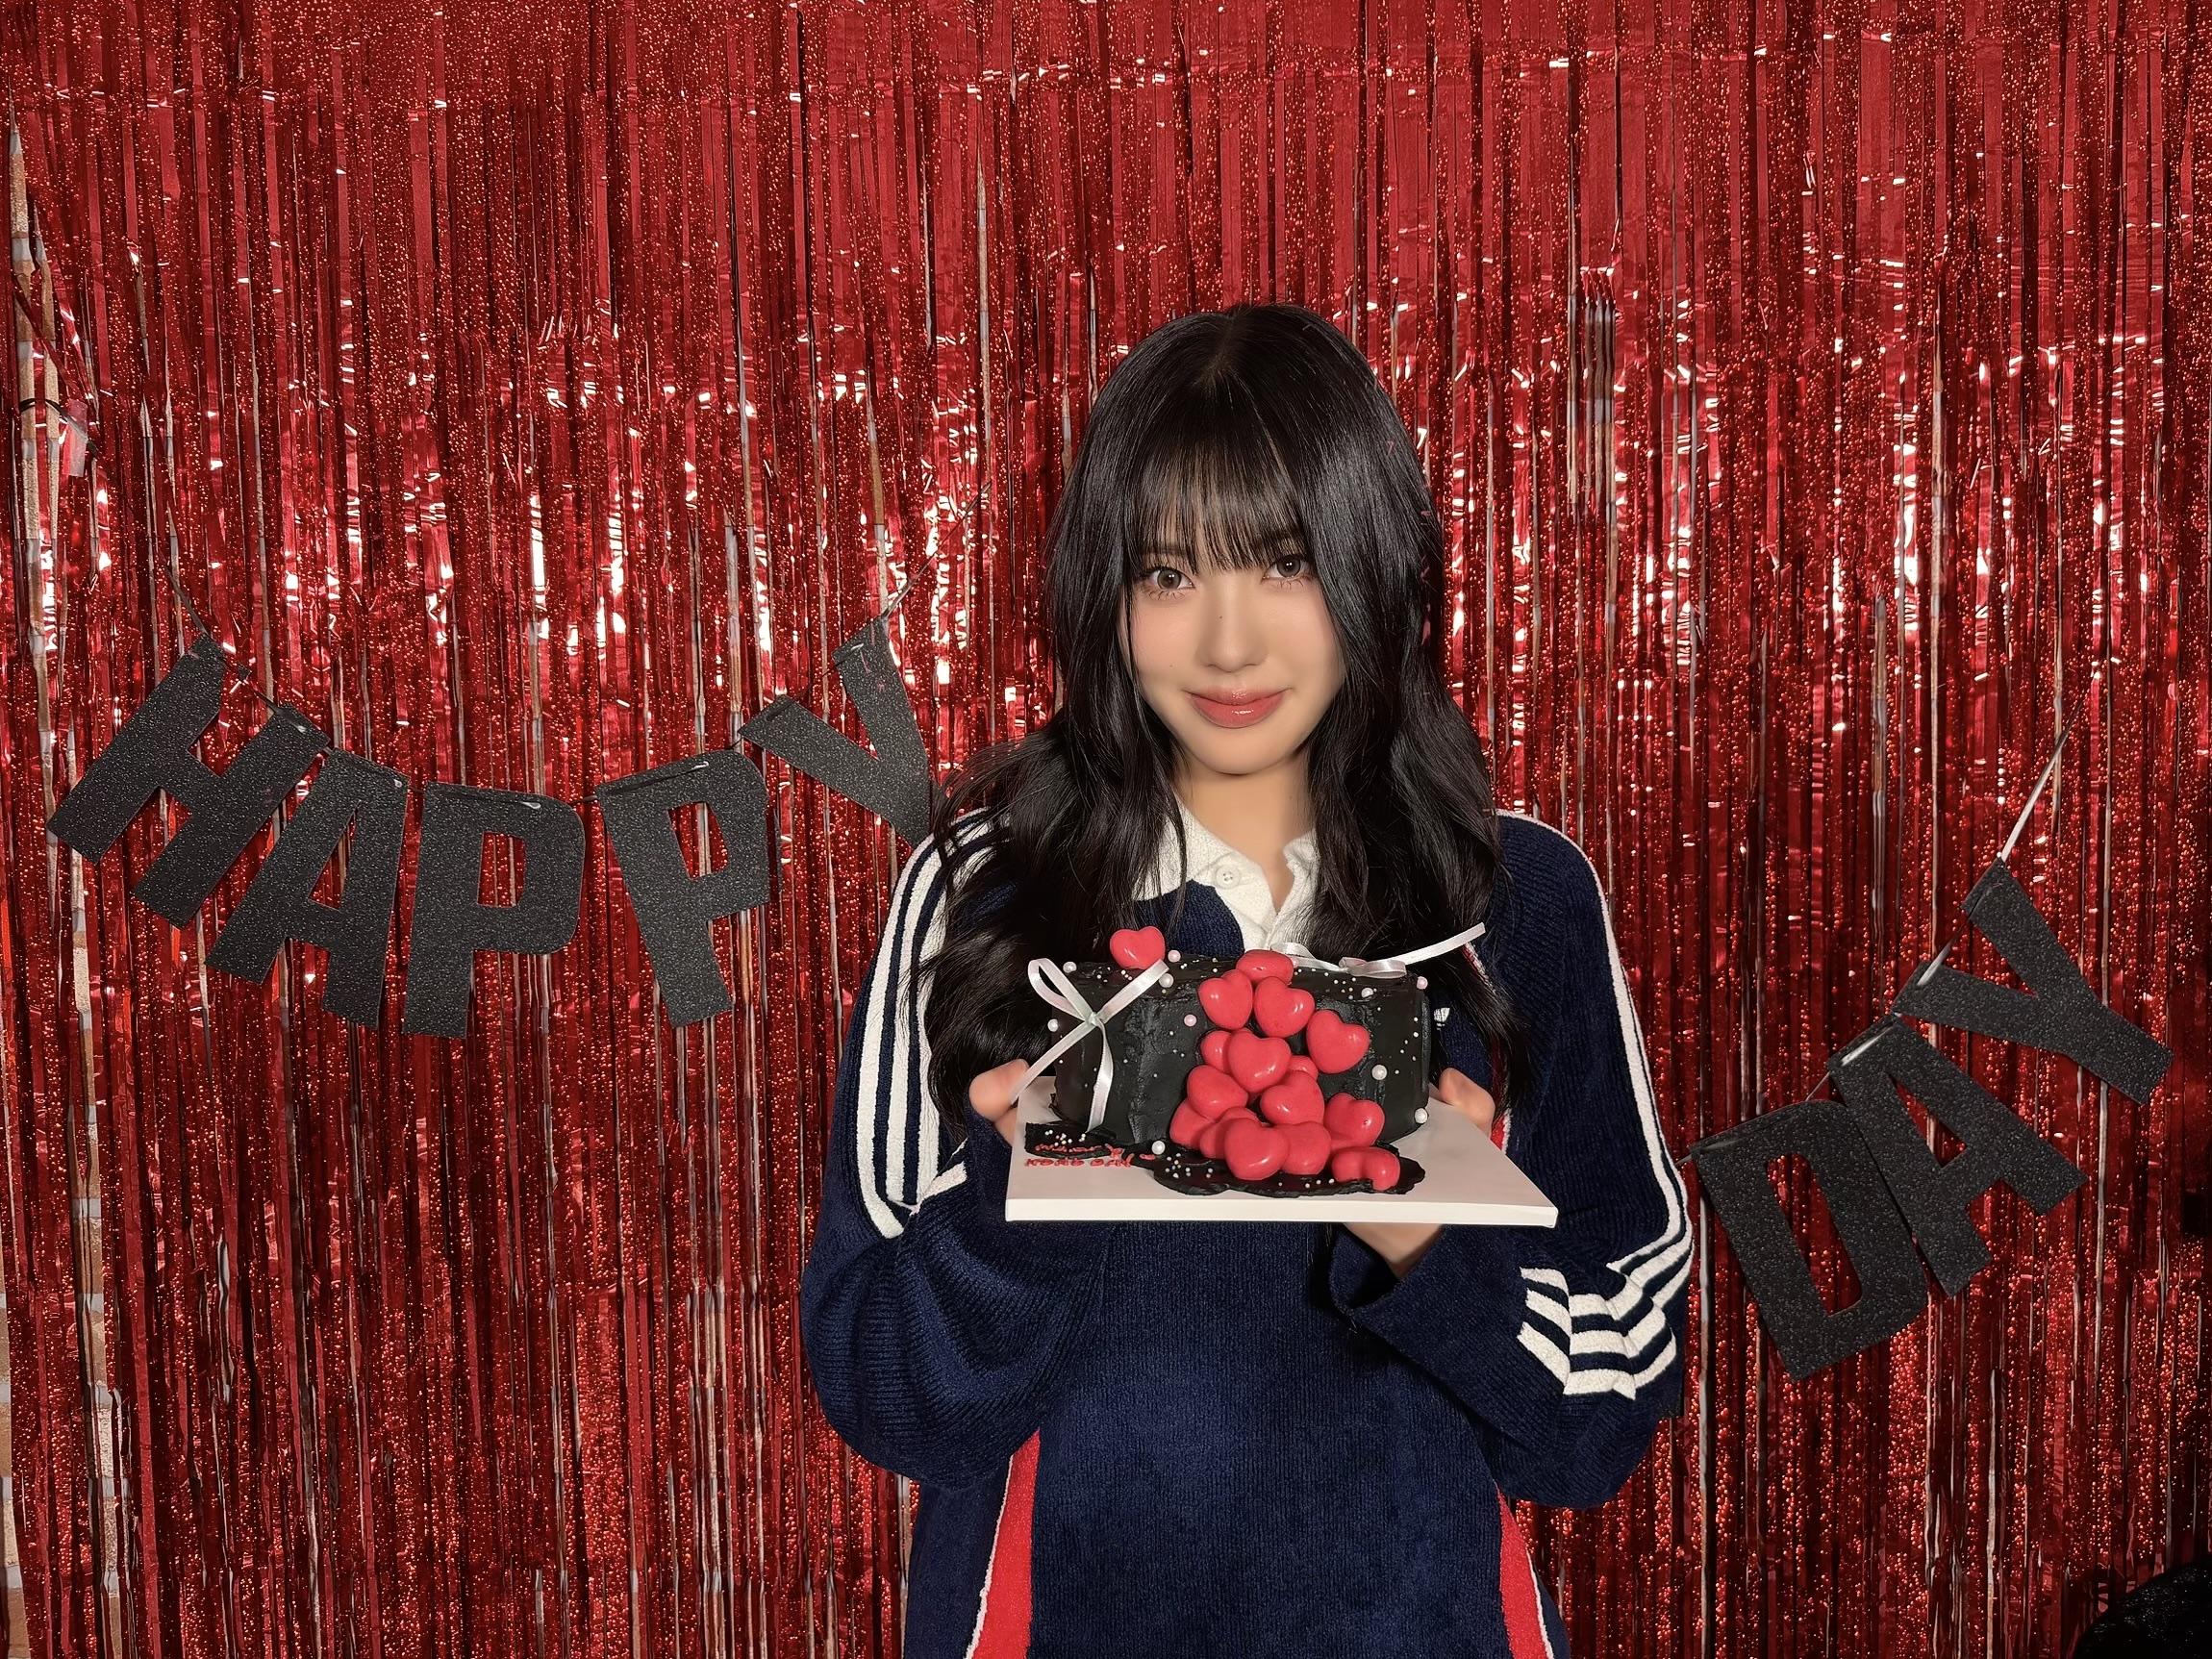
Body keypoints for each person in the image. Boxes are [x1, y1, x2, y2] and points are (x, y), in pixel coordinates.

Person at [799, 302, 1691, 1659]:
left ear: (1374, 562)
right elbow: (883, 1390)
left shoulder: (1514, 901)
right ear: (1104, 594)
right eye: (1168, 574)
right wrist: (1021, 1194)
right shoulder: (986, 889)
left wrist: (1435, 1238)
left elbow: (1604, 1414)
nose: (1227, 644)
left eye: (1284, 565)